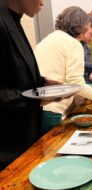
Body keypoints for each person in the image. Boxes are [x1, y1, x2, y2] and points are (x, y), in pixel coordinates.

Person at [0, 0, 63, 170]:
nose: (43, 2)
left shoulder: (13, 19)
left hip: (25, 141)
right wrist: (39, 98)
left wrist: (42, 83)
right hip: (7, 148)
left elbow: (11, 73)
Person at [34, 6, 92, 134]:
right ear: (79, 26)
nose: (87, 32)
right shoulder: (73, 43)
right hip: (54, 109)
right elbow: (77, 83)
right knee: (54, 149)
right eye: (87, 28)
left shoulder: (50, 38)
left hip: (37, 107)